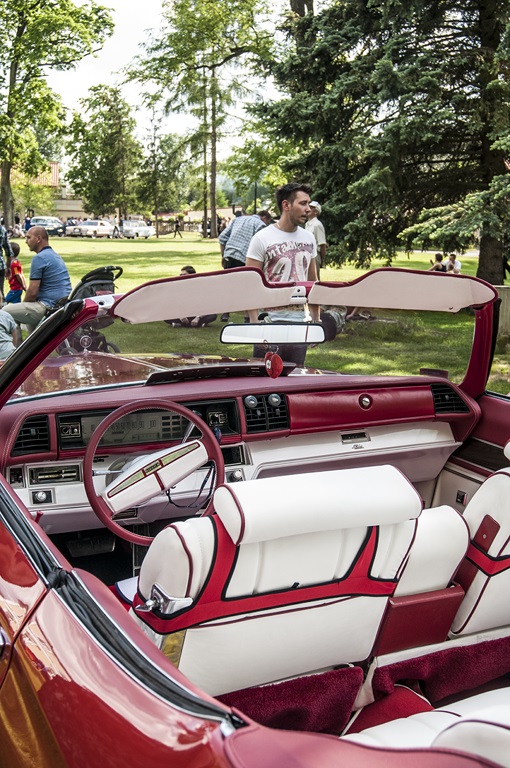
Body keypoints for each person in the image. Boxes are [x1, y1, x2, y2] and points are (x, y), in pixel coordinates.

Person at [245, 182, 320, 367]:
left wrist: (316, 319)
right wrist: (255, 324)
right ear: (286, 205)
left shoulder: (309, 238)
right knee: (265, 379)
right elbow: (249, 284)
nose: (308, 209)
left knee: (295, 376)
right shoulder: (262, 238)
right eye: (303, 203)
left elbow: (313, 282)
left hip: (299, 324)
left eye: (309, 203)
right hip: (269, 323)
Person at [3, 226, 71, 334]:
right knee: (27, 322)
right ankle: (31, 343)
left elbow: (32, 293)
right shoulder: (55, 256)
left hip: (48, 307)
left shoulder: (39, 258)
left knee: (4, 313)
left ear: (38, 239)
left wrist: (23, 306)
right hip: (61, 305)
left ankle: (16, 345)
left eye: (29, 237)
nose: (26, 241)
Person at [218, 209, 273, 321]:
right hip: (245, 257)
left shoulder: (237, 220)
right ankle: (247, 316)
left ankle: (225, 312)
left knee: (229, 285)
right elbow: (262, 244)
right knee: (247, 288)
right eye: (268, 222)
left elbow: (222, 237)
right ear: (264, 217)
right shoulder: (260, 225)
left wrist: (223, 255)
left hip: (230, 255)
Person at [305, 200, 327, 278]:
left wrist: (322, 259)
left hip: (315, 255)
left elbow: (322, 244)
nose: (308, 209)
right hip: (307, 254)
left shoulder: (317, 225)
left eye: (311, 208)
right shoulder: (307, 224)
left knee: (314, 278)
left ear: (316, 212)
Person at [0, 222, 14, 301]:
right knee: (0, 293)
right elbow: (8, 250)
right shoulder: (2, 229)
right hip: (0, 266)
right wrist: (8, 267)